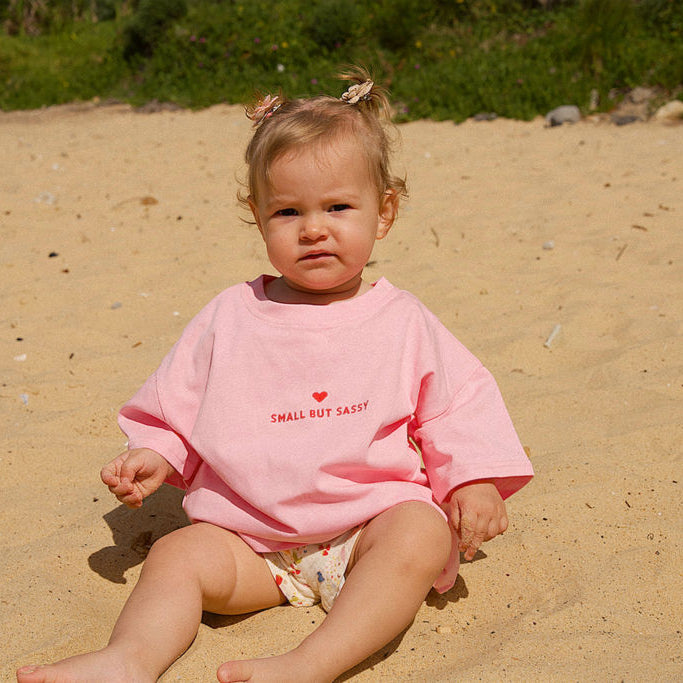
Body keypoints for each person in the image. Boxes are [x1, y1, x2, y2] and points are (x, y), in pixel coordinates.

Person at [17, 69, 533, 683]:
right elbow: (175, 405)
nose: (314, 229)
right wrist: (156, 451)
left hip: (366, 526)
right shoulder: (231, 317)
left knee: (418, 532)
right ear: (258, 217)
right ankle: (128, 659)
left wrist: (471, 482)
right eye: (288, 211)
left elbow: (457, 406)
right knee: (176, 555)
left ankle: (309, 663)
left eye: (338, 207)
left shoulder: (403, 321)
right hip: (251, 542)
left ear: (384, 210)